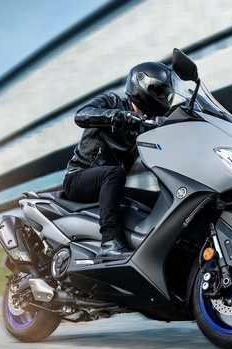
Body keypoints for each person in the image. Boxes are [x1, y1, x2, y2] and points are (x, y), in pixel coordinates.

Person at [63, 61, 173, 260]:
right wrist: (118, 116)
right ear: (141, 85)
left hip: (111, 185)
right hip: (77, 179)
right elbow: (81, 115)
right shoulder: (112, 101)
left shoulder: (146, 125)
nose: (163, 97)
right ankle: (110, 241)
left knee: (161, 199)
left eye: (165, 93)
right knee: (114, 173)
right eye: (158, 91)